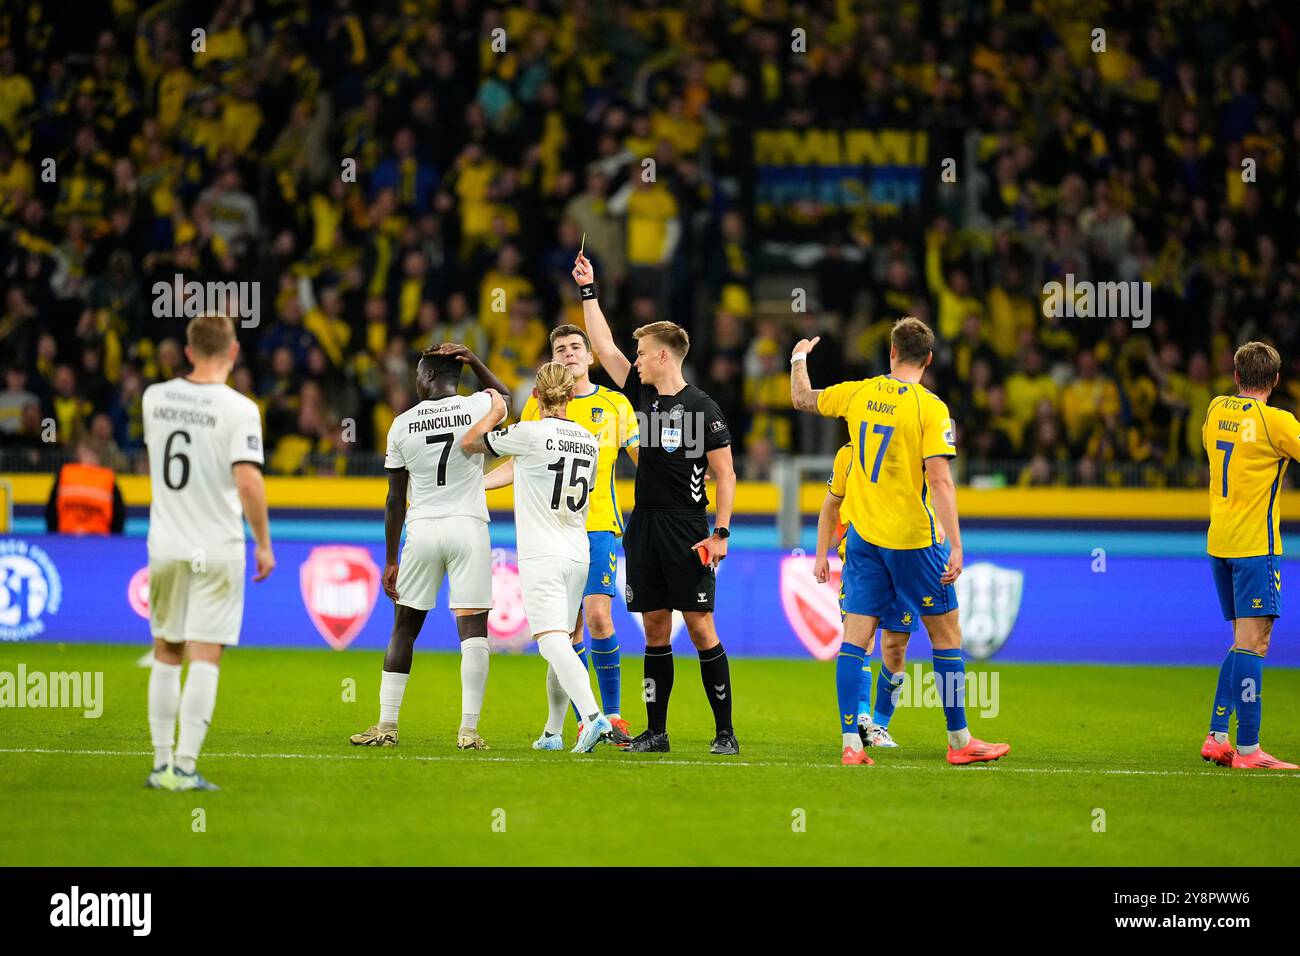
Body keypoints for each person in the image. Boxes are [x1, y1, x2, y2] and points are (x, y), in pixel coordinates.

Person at [792, 316, 1010, 767]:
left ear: (890, 352)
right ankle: (959, 740)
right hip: (913, 540)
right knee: (945, 634)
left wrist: (798, 359)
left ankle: (851, 745)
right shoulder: (930, 408)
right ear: (928, 359)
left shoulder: (858, 392)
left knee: (855, 638)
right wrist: (955, 541)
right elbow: (941, 478)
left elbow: (801, 397)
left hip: (865, 540)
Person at [570, 252, 739, 755]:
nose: (635, 359)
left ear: (663, 355)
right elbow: (601, 343)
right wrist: (588, 290)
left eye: (642, 352)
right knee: (655, 627)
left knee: (701, 625)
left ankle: (725, 732)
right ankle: (656, 731)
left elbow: (726, 472)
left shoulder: (703, 407)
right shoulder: (638, 396)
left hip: (689, 527)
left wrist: (721, 531)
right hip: (643, 526)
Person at [462, 362, 630, 753]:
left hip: (543, 553)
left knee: (549, 640)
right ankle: (553, 732)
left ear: (535, 396)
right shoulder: (589, 440)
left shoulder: (528, 433)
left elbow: (471, 443)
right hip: (578, 550)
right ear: (571, 396)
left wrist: (494, 411)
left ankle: (593, 718)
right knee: (567, 641)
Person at [351, 344, 511, 751]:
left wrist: (390, 560)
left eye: (417, 375)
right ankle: (468, 731)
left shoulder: (402, 424)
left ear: (425, 378)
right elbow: (505, 397)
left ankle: (387, 725)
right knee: (473, 632)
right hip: (468, 527)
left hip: (421, 531)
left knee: (404, 628)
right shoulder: (477, 406)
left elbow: (393, 499)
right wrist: (475, 359)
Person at [143, 313, 275, 792]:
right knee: (205, 653)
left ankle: (160, 766)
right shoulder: (240, 409)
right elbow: (248, 480)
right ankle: (184, 766)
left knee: (166, 649)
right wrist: (263, 542)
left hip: (166, 544)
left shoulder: (153, 399)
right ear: (234, 352)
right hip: (217, 547)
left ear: (188, 350)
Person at [1199, 341, 1299, 770]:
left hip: (1219, 543)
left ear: (1237, 377)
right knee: (1255, 644)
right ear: (1275, 381)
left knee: (1242, 641)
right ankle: (1249, 748)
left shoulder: (1215, 410)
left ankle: (1217, 735)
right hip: (1256, 545)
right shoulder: (1277, 421)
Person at [45, 441, 127, 535]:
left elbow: (51, 513)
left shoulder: (64, 475)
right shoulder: (109, 479)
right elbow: (118, 518)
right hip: (99, 542)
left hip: (66, 539)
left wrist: (53, 538)